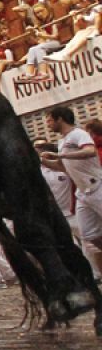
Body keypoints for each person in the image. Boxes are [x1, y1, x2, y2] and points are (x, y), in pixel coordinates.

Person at [42, 106, 102, 263]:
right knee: (89, 234)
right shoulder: (62, 141)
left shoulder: (78, 134)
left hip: (97, 186)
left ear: (59, 119)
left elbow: (90, 151)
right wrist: (42, 161)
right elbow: (62, 166)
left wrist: (61, 154)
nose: (48, 124)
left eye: (49, 120)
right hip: (82, 193)